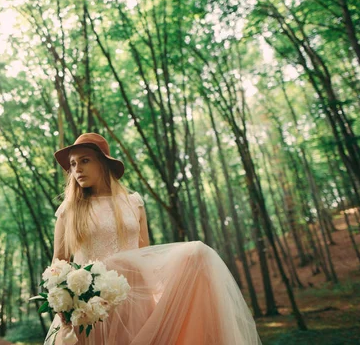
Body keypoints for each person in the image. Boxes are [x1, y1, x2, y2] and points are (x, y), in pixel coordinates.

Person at [45, 133, 261, 345]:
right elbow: (59, 262)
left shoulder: (133, 203)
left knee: (198, 252)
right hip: (89, 306)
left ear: (103, 163)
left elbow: (144, 253)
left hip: (135, 301)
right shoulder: (69, 210)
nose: (77, 169)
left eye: (85, 161)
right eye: (72, 164)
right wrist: (63, 304)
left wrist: (162, 291)